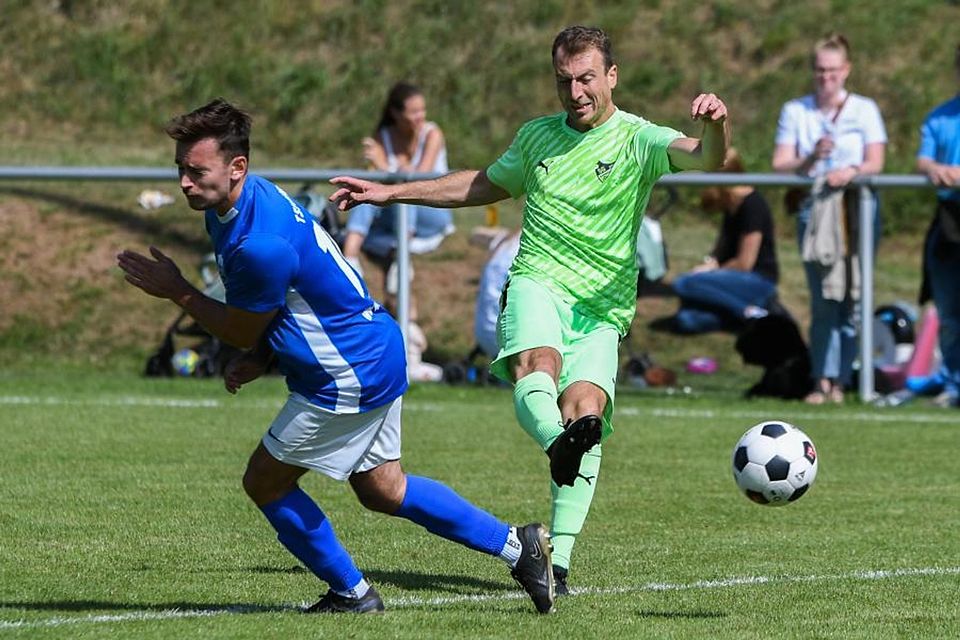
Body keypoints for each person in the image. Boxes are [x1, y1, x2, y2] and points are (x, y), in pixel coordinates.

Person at [116, 98, 555, 614]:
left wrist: (180, 292)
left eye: (196, 171)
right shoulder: (245, 201)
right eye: (180, 170)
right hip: (374, 349)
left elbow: (240, 323)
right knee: (383, 489)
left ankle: (353, 593)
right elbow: (289, 298)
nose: (185, 183)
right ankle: (516, 545)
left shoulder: (257, 240)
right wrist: (261, 353)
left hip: (346, 373)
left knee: (264, 480)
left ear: (238, 167)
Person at [331, 26, 729, 594]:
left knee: (585, 412)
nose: (576, 92)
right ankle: (555, 445)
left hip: (604, 305)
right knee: (534, 366)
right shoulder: (538, 137)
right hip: (539, 281)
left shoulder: (639, 139)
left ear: (611, 77)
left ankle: (555, 565)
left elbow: (706, 160)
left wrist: (714, 124)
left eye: (587, 78)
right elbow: (479, 185)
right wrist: (391, 192)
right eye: (565, 81)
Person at [771, 32, 886, 405]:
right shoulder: (796, 110)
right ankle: (822, 379)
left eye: (833, 70)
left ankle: (845, 379)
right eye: (820, 70)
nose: (826, 77)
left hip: (856, 209)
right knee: (823, 300)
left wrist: (852, 170)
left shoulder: (864, 109)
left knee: (853, 296)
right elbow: (781, 164)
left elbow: (875, 161)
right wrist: (812, 159)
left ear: (846, 70)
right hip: (815, 209)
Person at [342, 83, 454, 382]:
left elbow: (422, 182)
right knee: (366, 189)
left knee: (408, 190)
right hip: (395, 218)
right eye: (413, 111)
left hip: (431, 212)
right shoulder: (384, 138)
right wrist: (376, 171)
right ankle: (349, 257)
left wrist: (383, 167)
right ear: (395, 113)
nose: (420, 116)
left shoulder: (432, 134)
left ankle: (393, 256)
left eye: (422, 110)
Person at [670, 148, 780, 334]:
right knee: (686, 320)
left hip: (758, 280)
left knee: (684, 283)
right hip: (733, 278)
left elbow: (745, 263)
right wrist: (710, 263)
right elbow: (720, 250)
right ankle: (741, 314)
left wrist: (713, 272)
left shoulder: (753, 205)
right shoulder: (731, 206)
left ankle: (747, 311)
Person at [916, 43, 960, 409]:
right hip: (949, 224)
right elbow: (923, 161)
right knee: (949, 313)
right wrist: (934, 170)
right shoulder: (940, 118)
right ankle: (955, 382)